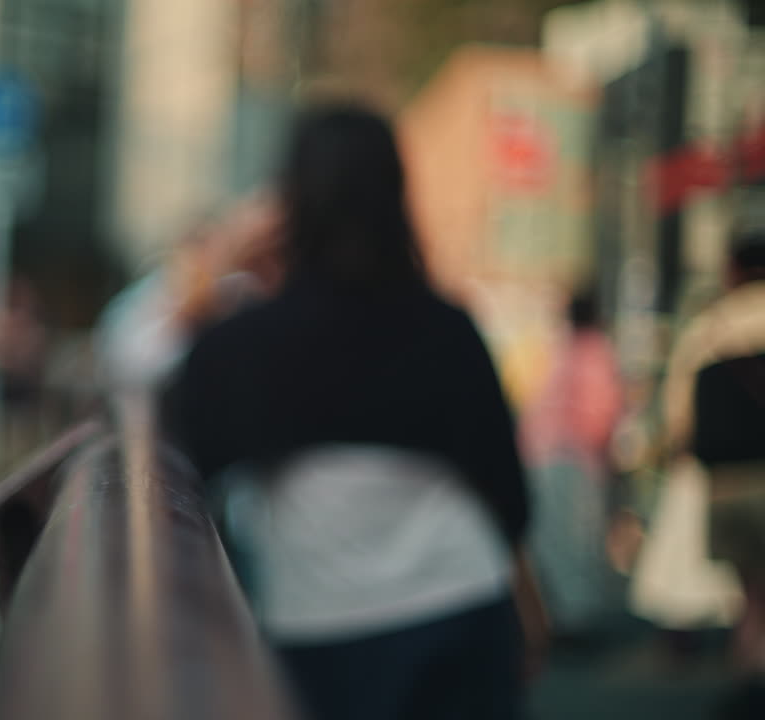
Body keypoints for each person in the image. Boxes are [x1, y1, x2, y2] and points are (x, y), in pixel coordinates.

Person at [165, 104, 532, 720]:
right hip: (462, 605)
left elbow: (172, 422)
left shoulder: (243, 346)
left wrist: (220, 263)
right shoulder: (449, 331)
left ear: (290, 204)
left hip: (317, 622)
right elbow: (511, 500)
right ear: (398, 192)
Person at [662, 228, 765, 716]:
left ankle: (752, 680)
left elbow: (678, 414)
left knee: (751, 596)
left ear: (733, 269)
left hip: (727, 483)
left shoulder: (709, 327)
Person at [96, 195, 282, 393]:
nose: (204, 258)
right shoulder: (145, 300)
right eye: (198, 245)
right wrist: (184, 319)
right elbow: (127, 366)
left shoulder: (240, 290)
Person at [520, 290, 625, 638]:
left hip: (540, 455)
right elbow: (602, 413)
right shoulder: (596, 351)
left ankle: (555, 614)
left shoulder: (557, 350)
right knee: (579, 541)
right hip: (576, 458)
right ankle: (576, 618)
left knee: (552, 541)